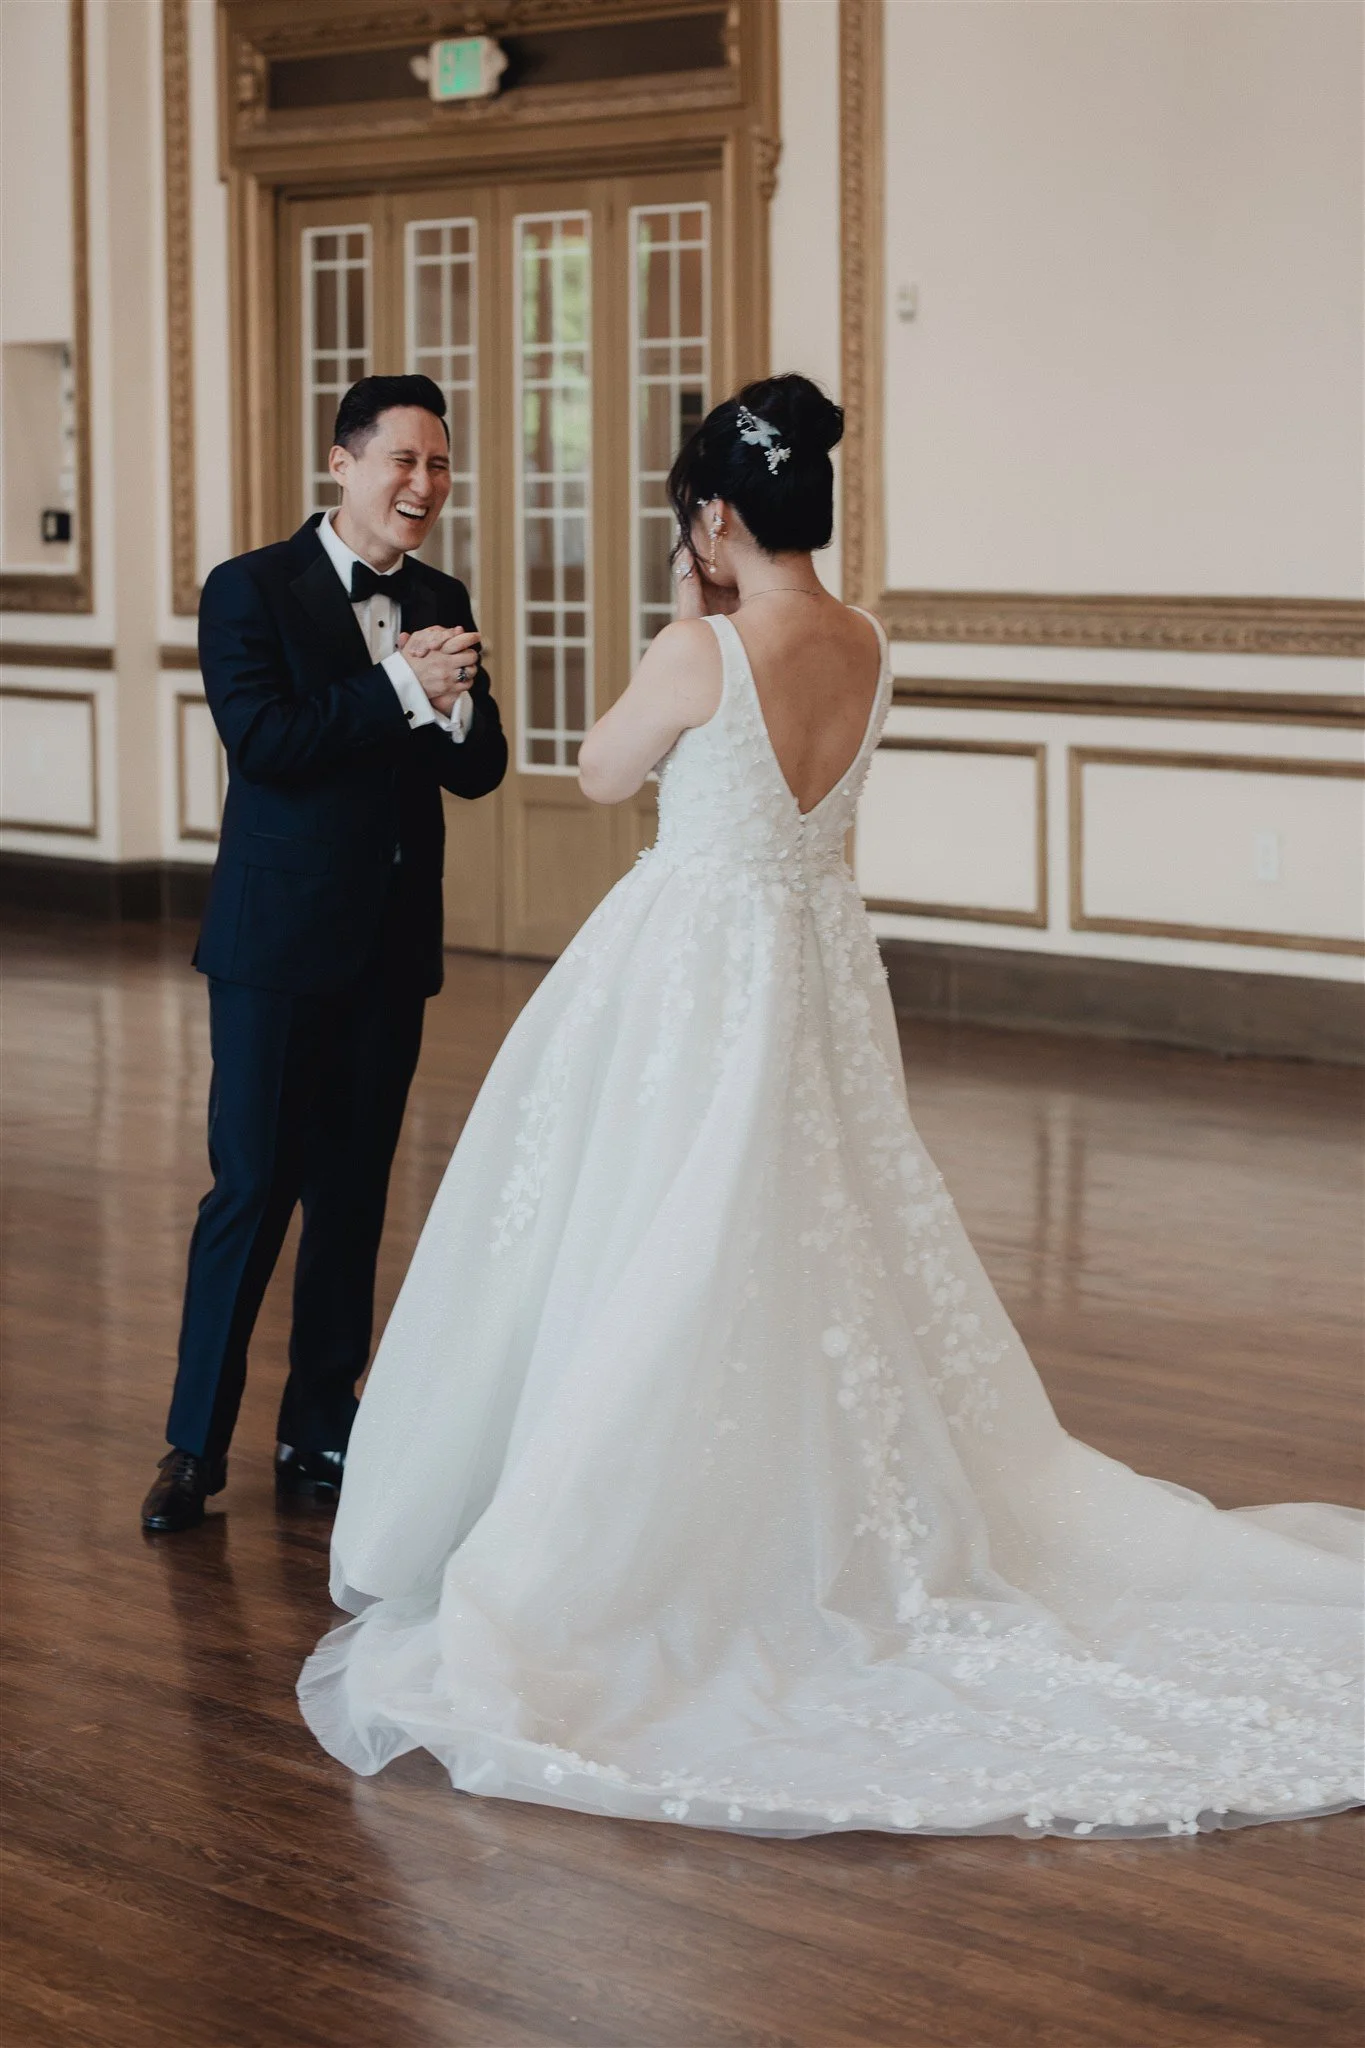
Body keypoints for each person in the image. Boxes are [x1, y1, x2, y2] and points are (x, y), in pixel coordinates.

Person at [298, 375, 1361, 1839]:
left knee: (657, 1226)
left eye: (696, 517)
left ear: (718, 516)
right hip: (812, 969)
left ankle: (649, 1526)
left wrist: (690, 613)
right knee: (813, 1223)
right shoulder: (867, 641)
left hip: (692, 971)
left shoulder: (702, 647)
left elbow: (601, 775)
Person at [141, 375, 507, 1535]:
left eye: (440, 464)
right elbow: (266, 742)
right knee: (252, 1189)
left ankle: (319, 1423)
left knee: (353, 1194)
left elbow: (478, 764)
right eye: (404, 459)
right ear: (342, 463)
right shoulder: (248, 589)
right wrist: (402, 686)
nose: (424, 485)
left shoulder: (442, 592)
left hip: (390, 948)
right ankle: (193, 1445)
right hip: (274, 947)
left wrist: (450, 706)